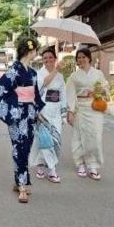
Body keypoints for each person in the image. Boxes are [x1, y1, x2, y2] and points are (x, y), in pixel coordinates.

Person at [0, 36, 45, 203]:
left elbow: (35, 94)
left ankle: (18, 180)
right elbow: (0, 88)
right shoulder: (14, 70)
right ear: (29, 51)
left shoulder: (32, 73)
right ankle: (23, 185)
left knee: (27, 147)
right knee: (19, 147)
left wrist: (38, 111)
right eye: (35, 50)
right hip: (17, 116)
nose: (36, 53)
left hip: (29, 114)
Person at [66, 48, 110, 180]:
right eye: (78, 57)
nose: (81, 60)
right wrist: (71, 111)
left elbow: (106, 90)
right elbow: (70, 94)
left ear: (89, 58)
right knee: (79, 137)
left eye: (84, 57)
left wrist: (99, 91)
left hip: (94, 108)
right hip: (80, 108)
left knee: (95, 136)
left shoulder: (98, 73)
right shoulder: (74, 76)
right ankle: (80, 163)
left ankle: (93, 165)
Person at [29, 48, 67, 183]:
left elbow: (63, 94)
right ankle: (52, 170)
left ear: (55, 58)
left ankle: (40, 166)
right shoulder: (38, 74)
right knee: (45, 141)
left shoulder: (61, 77)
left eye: (51, 57)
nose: (48, 60)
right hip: (43, 112)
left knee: (54, 141)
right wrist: (56, 69)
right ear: (42, 60)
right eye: (45, 58)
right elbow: (43, 84)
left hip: (56, 112)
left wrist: (64, 113)